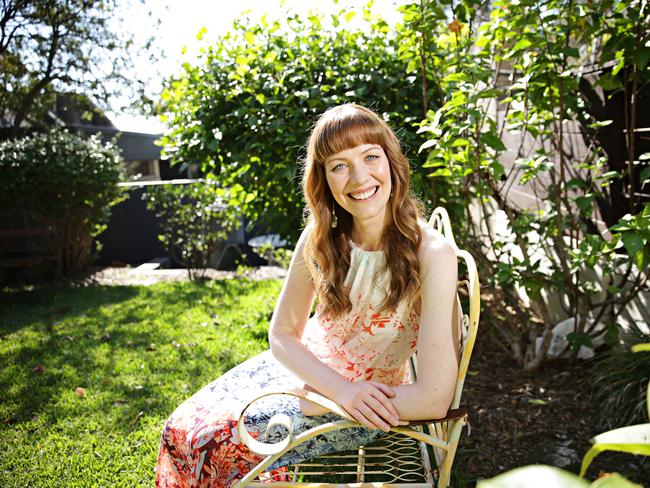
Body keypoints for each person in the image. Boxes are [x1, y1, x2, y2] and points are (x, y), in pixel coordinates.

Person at [156, 103, 461, 488]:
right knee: (180, 428)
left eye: (370, 156)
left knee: (211, 441)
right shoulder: (321, 238)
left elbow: (434, 399)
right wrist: (336, 387)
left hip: (359, 404)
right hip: (305, 371)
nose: (359, 176)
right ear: (324, 180)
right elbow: (282, 333)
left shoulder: (430, 254)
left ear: (392, 162)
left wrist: (342, 395)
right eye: (339, 165)